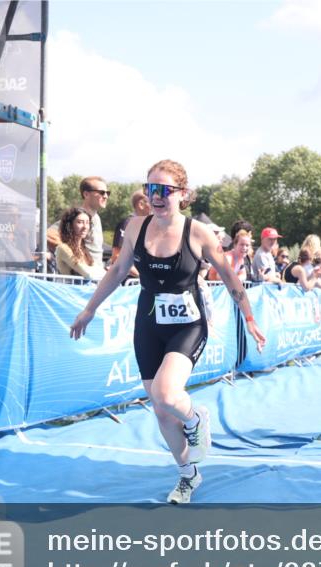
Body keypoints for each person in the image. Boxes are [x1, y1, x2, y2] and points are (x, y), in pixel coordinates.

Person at [69, 159, 266, 504]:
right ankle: (188, 475)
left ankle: (195, 417)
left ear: (183, 194)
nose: (156, 197)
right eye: (151, 189)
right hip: (149, 323)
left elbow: (230, 275)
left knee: (166, 393)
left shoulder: (198, 232)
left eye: (164, 190)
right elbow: (117, 272)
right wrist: (89, 309)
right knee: (160, 409)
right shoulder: (135, 227)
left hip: (188, 324)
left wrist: (248, 316)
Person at [48, 176, 109, 265]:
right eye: (102, 192)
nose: (106, 196)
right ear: (86, 194)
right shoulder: (76, 215)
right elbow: (49, 234)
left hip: (95, 274)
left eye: (108, 193)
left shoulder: (96, 218)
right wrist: (75, 255)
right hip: (81, 276)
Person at [55, 207, 105, 280]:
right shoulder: (63, 248)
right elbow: (88, 274)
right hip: (70, 290)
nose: (85, 227)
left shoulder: (83, 249)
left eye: (87, 222)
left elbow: (98, 271)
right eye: (80, 222)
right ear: (70, 225)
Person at [111, 190, 150, 278]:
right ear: (141, 205)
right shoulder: (127, 224)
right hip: (128, 283)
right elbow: (117, 256)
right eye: (151, 201)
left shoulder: (147, 225)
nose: (155, 205)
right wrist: (141, 276)